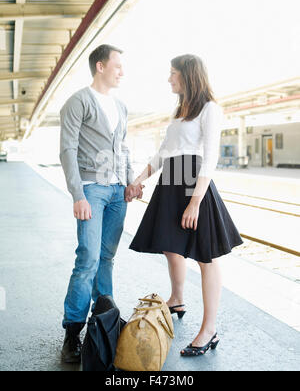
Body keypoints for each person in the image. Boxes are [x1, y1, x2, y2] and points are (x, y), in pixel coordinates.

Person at [128, 54, 243, 357]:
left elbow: (211, 156)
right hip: (171, 181)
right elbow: (164, 152)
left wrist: (195, 202)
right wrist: (139, 179)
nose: (169, 79)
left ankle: (209, 329)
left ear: (188, 75)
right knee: (170, 245)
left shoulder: (210, 109)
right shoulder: (180, 111)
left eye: (173, 73)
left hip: (194, 184)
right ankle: (177, 298)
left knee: (206, 256)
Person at [59, 44, 144, 363]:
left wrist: (131, 180)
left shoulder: (121, 106)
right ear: (100, 66)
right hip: (92, 190)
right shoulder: (78, 101)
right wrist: (77, 194)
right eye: (118, 66)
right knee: (88, 259)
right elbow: (67, 150)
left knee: (106, 258)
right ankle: (72, 332)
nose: (122, 71)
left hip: (117, 192)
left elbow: (121, 147)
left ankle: (103, 324)